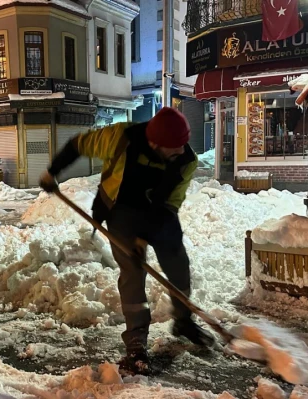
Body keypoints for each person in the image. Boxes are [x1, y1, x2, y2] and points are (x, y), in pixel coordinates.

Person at [40, 107, 214, 375]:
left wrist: (143, 239)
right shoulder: (121, 137)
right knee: (133, 272)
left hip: (160, 209)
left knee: (177, 264)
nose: (181, 150)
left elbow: (171, 202)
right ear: (155, 143)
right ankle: (136, 342)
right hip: (121, 209)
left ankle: (183, 320)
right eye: (173, 147)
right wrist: (52, 172)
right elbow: (78, 144)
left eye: (183, 144)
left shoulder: (185, 159)